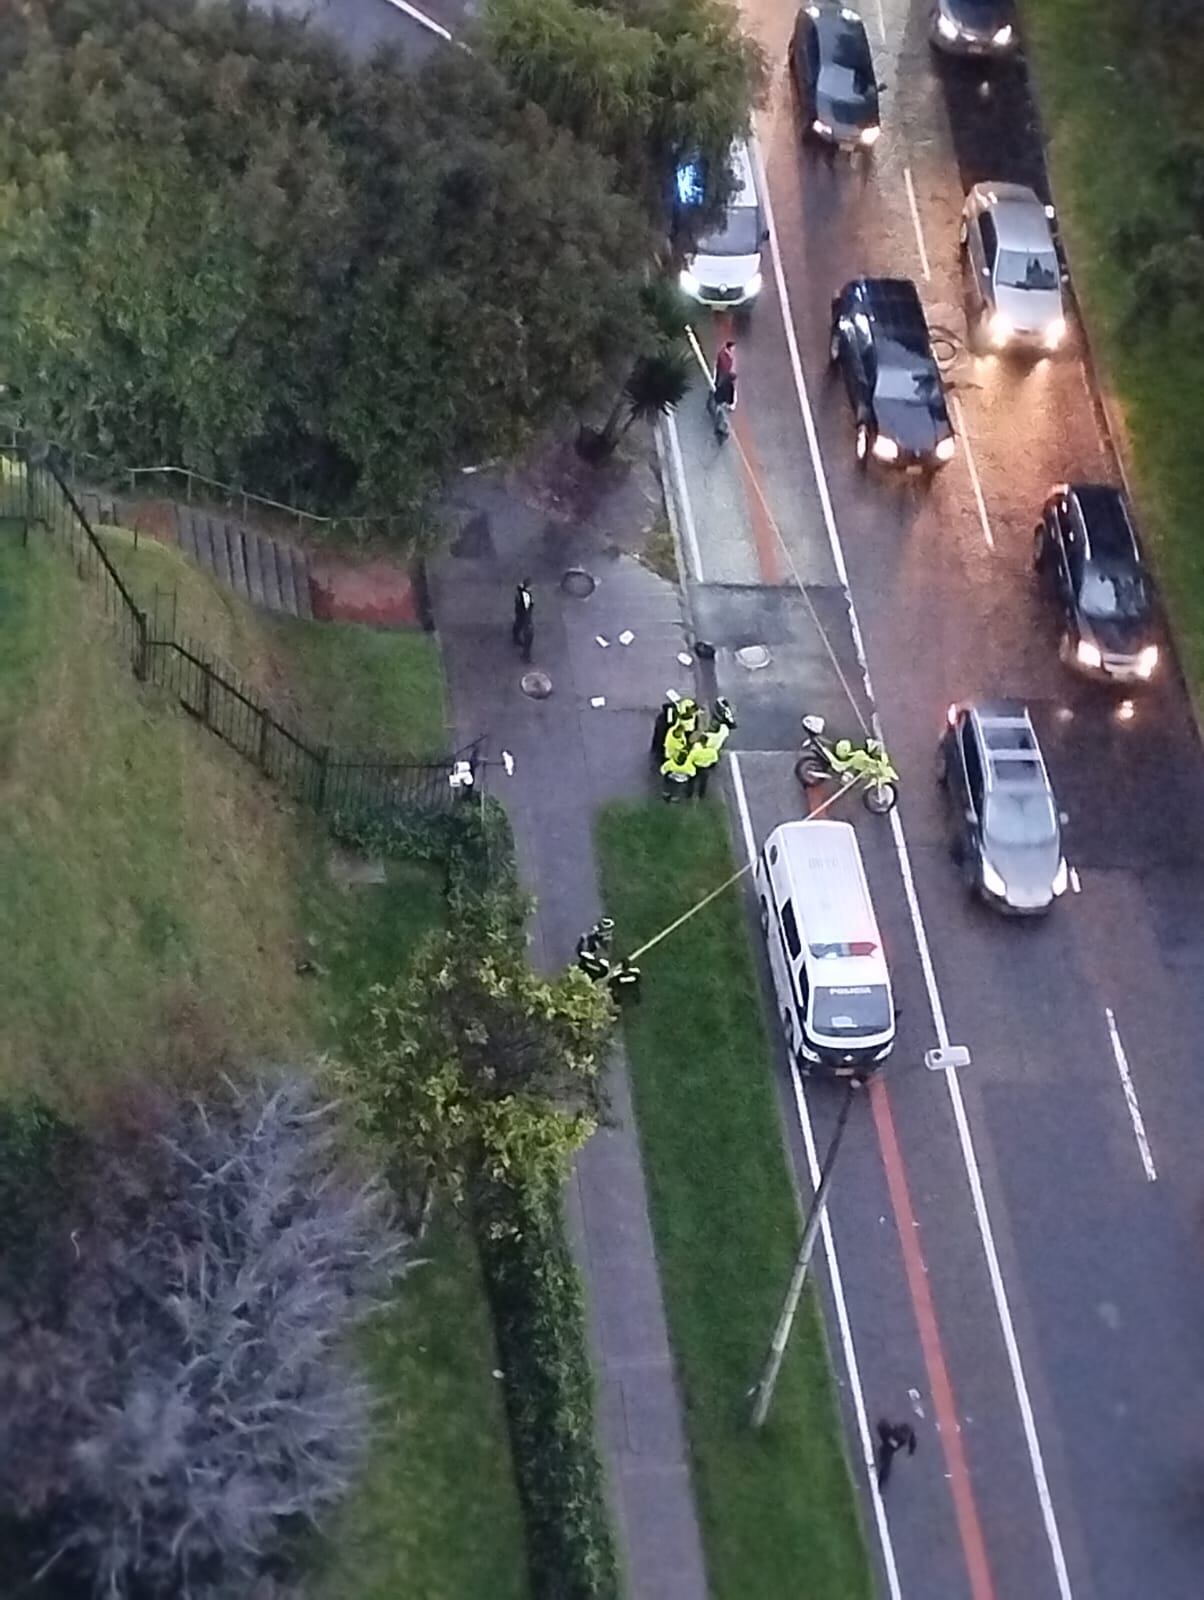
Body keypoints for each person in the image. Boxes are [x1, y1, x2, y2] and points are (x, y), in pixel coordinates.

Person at [691, 698, 736, 799]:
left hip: (699, 761)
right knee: (704, 779)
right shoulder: (723, 732)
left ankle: (690, 792)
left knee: (694, 776)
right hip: (710, 757)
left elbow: (694, 751)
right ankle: (701, 795)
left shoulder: (703, 741)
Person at [875, 1419, 917, 1490]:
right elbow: (913, 1442)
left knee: (886, 1462)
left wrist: (911, 1451)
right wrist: (911, 1451)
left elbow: (912, 1442)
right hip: (890, 1440)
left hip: (891, 1444)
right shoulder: (905, 1431)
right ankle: (883, 1451)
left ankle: (882, 1481)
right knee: (886, 1452)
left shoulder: (900, 1434)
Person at [512, 579, 534, 662]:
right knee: (529, 636)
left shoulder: (520, 592)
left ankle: (516, 638)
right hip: (524, 617)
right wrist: (528, 623)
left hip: (520, 614)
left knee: (518, 624)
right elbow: (527, 609)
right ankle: (526, 656)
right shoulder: (526, 596)